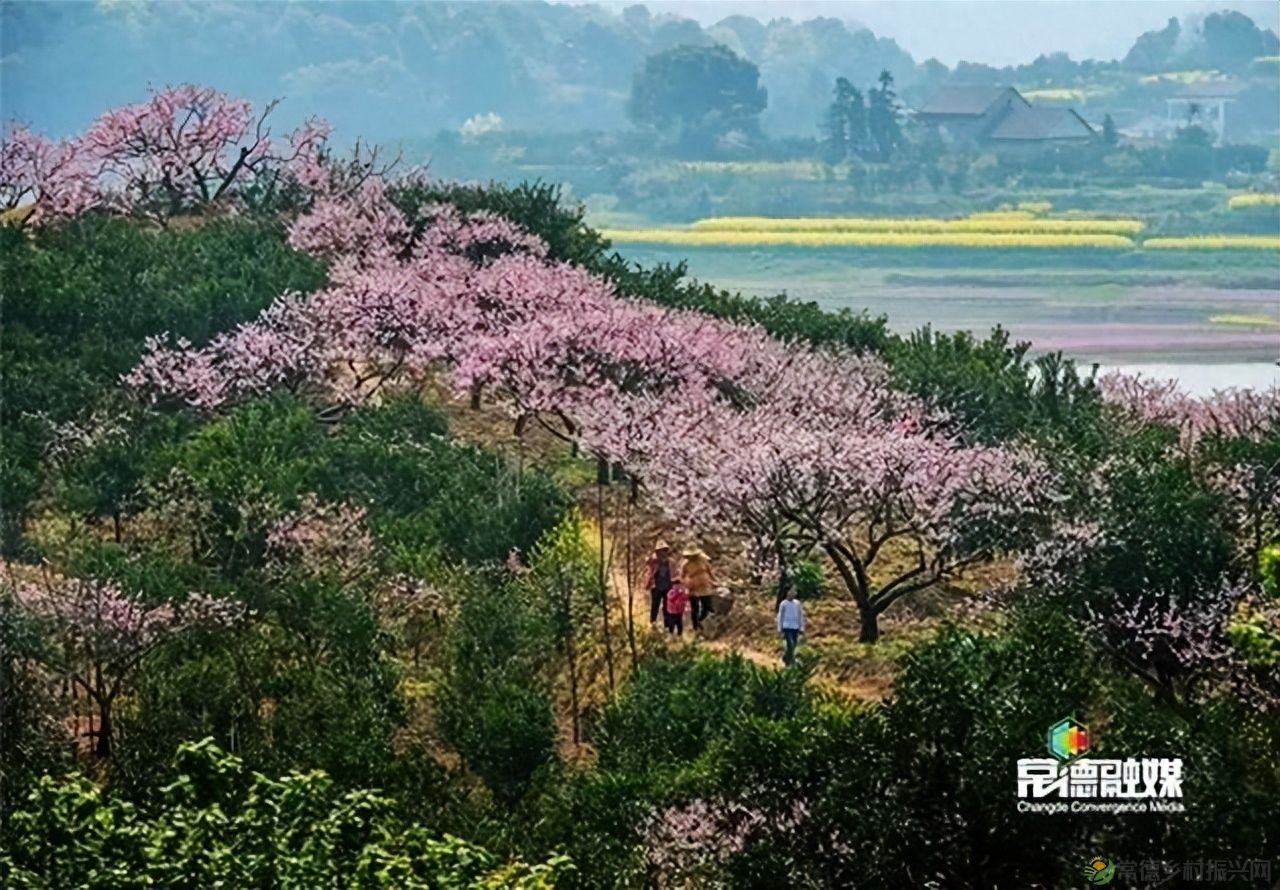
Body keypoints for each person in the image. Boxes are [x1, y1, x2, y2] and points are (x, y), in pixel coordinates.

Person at [679, 546, 716, 631]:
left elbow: (709, 571)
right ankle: (695, 627)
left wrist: (714, 581)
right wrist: (685, 585)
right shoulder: (685, 564)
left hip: (705, 587)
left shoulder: (703, 561)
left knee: (707, 606)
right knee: (694, 608)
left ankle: (700, 620)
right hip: (693, 588)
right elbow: (682, 576)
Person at [643, 540, 677, 626]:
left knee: (667, 607)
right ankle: (652, 623)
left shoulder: (671, 562)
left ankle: (667, 625)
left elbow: (675, 573)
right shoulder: (654, 561)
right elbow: (647, 561)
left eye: (665, 550)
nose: (663, 553)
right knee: (655, 606)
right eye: (661, 550)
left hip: (668, 587)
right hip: (656, 587)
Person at [776, 584, 805, 666]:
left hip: (795, 627)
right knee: (790, 644)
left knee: (794, 644)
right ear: (787, 592)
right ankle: (792, 663)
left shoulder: (797, 603)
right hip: (786, 627)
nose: (794, 593)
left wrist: (801, 627)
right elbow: (780, 616)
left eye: (794, 591)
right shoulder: (783, 604)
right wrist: (779, 628)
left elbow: (800, 615)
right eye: (792, 591)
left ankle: (786, 657)